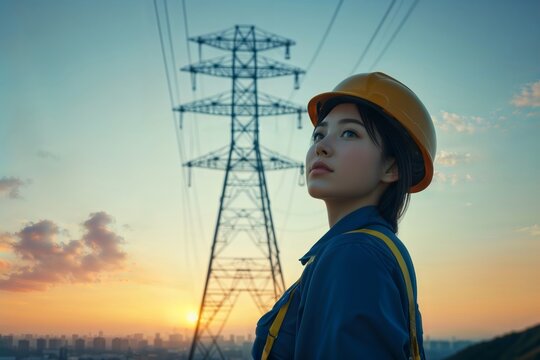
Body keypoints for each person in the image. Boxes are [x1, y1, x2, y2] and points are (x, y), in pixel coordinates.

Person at [252, 72, 436, 359]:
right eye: (318, 134)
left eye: (349, 133)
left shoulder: (354, 254)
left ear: (391, 168)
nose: (321, 147)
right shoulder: (369, 250)